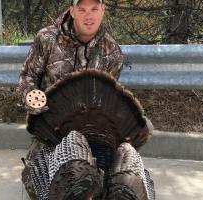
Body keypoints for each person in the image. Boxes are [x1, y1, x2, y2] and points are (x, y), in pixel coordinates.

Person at [19, 0, 154, 199]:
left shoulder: (111, 50)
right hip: (54, 130)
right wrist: (30, 94)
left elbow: (109, 100)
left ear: (102, 10)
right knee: (51, 184)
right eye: (82, 9)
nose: (88, 16)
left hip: (97, 134)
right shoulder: (47, 38)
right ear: (72, 11)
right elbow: (27, 76)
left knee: (123, 185)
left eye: (93, 9)